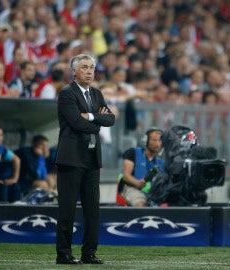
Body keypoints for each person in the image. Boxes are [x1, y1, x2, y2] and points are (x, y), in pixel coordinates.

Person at [55, 54, 115, 264]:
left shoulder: (97, 94)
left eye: (91, 67)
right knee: (67, 210)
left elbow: (111, 119)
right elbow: (75, 123)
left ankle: (89, 253)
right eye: (84, 68)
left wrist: (90, 116)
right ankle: (63, 254)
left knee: (92, 211)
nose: (89, 71)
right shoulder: (66, 93)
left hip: (91, 159)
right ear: (74, 71)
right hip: (71, 159)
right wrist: (98, 122)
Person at [118, 128, 165, 207]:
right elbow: (126, 176)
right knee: (141, 204)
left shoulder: (161, 163)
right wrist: (138, 183)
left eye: (160, 141)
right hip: (131, 188)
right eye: (154, 140)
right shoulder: (133, 152)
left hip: (153, 193)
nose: (157, 143)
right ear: (146, 141)